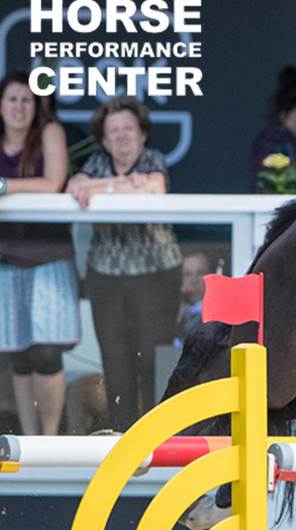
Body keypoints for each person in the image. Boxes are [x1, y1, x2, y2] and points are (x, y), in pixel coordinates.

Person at [66, 96, 183, 430]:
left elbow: (155, 188)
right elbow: (74, 188)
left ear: (142, 133)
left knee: (151, 363)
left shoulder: (152, 159)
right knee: (116, 367)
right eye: (113, 130)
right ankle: (123, 441)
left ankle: (157, 442)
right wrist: (126, 185)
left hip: (156, 276)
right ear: (104, 139)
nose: (121, 136)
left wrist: (100, 189)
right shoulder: (96, 163)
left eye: (128, 128)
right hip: (106, 279)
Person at [0, 71, 81, 435]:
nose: (19, 107)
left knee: (47, 352)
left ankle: (50, 439)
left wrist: (3, 186)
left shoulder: (49, 132)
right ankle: (30, 441)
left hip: (47, 256)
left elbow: (52, 184)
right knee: (18, 354)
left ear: (37, 106)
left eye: (27, 100)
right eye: (12, 99)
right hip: (5, 258)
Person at [175, 249, 211, 347]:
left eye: (200, 273)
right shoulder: (173, 313)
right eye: (187, 274)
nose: (194, 281)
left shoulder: (217, 315)